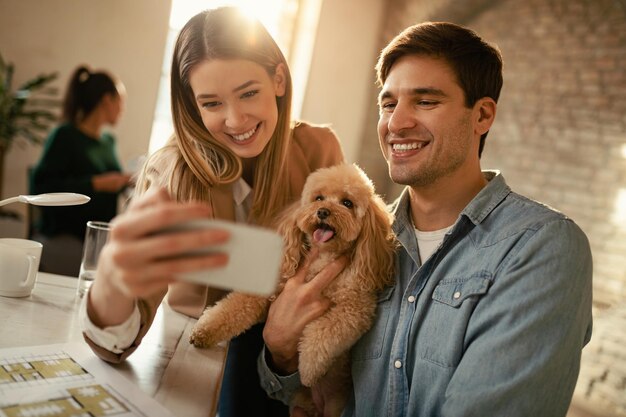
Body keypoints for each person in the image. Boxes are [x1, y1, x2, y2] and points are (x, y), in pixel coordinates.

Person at [259, 21, 593, 417]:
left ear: (482, 115)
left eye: (425, 102)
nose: (396, 123)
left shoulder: (541, 248)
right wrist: (279, 352)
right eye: (388, 104)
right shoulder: (364, 240)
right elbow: (304, 396)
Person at [79, 7, 344, 417]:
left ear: (278, 79)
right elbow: (120, 338)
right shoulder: (174, 174)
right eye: (212, 102)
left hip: (295, 369)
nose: (235, 119)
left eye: (249, 92)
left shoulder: (318, 151)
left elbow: (343, 270)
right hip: (193, 371)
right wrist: (111, 289)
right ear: (192, 106)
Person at [30, 65, 131, 276]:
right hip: (66, 236)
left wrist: (129, 180)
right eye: (121, 100)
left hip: (99, 239)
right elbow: (40, 188)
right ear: (106, 100)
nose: (123, 108)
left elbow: (113, 180)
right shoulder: (65, 136)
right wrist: (96, 184)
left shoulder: (108, 142)